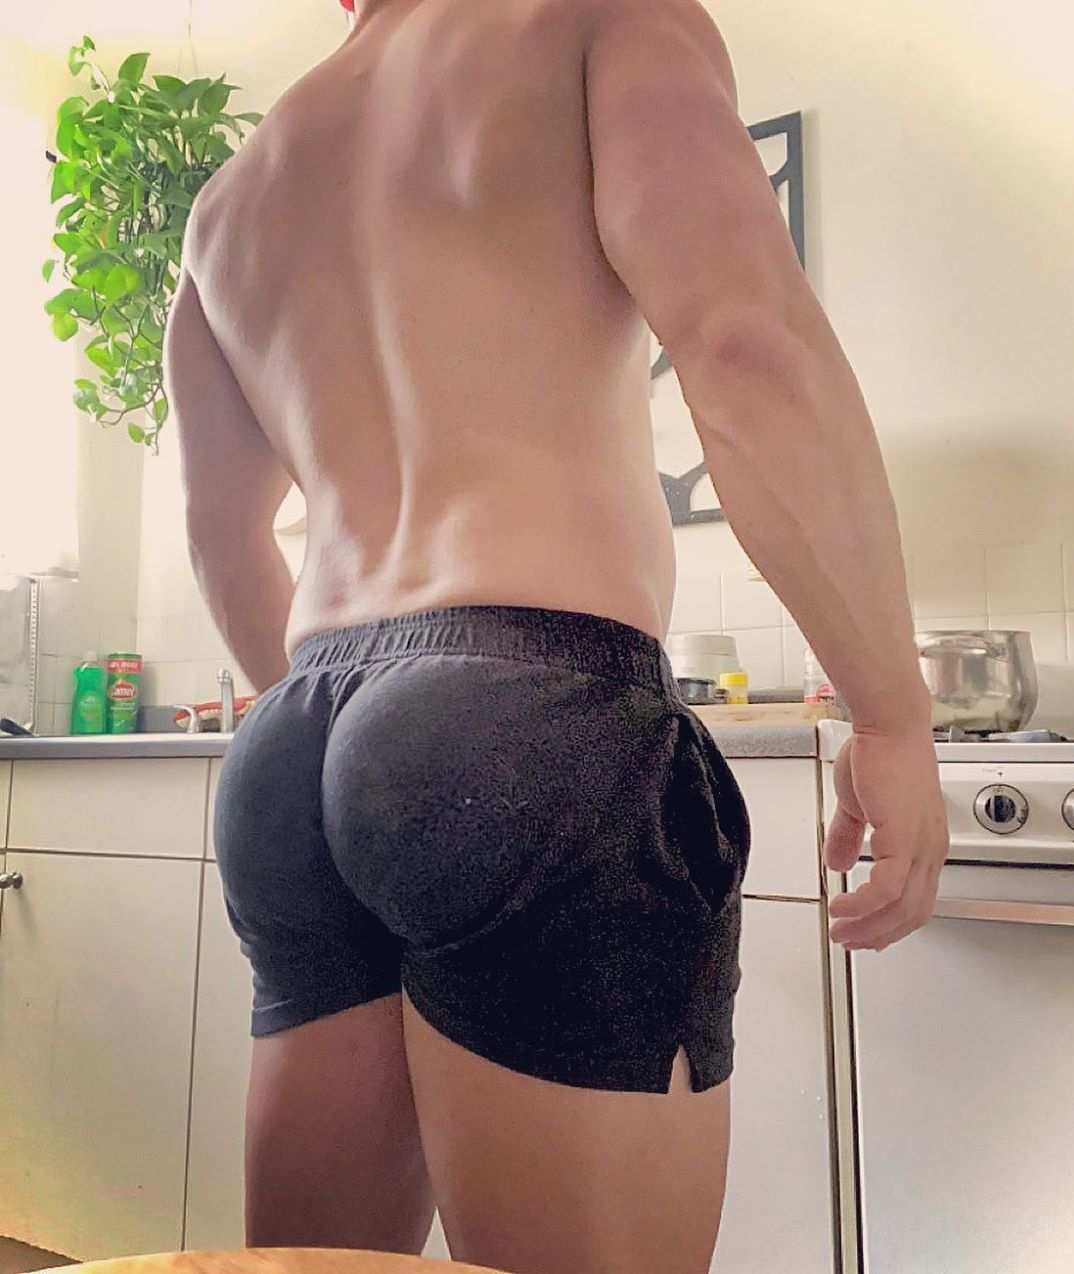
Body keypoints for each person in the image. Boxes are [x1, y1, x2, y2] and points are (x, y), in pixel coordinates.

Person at [163, 0, 949, 1270]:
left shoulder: (229, 198)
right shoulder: (596, 15)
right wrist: (892, 712)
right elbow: (743, 342)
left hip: (294, 742)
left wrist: (361, 747)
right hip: (530, 708)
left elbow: (219, 527)